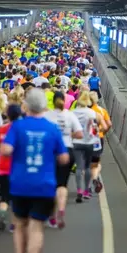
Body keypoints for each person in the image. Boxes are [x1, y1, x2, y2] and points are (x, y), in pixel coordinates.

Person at [0, 88, 69, 253]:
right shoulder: (52, 128)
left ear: (26, 106)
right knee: (37, 226)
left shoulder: (17, 127)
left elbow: (6, 149)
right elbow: (64, 158)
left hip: (20, 184)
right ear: (45, 107)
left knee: (20, 224)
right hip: (45, 185)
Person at [44, 91, 83, 229]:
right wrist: (67, 133)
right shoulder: (69, 115)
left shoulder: (47, 115)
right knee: (62, 184)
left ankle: (52, 216)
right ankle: (61, 209)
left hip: (50, 152)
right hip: (67, 150)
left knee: (50, 184)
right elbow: (79, 134)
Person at [0, 104, 21, 232]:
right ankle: (13, 225)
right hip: (18, 168)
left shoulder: (2, 129)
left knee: (4, 196)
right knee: (17, 198)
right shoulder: (21, 129)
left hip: (3, 167)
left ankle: (2, 212)